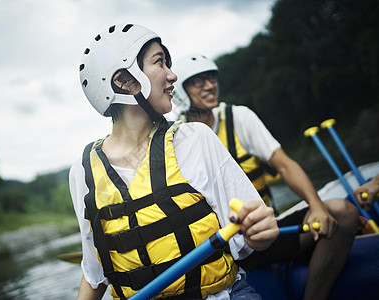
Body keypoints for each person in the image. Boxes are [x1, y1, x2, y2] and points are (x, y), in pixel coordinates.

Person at [69, 24, 279, 300]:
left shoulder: (195, 139)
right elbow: (95, 274)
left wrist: (259, 231)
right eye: (160, 63)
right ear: (123, 81)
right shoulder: (83, 173)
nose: (172, 75)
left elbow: (251, 236)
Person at [169, 53, 359, 300]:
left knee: (343, 212)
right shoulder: (176, 139)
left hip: (264, 235)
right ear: (182, 92)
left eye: (212, 78)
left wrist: (316, 206)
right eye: (198, 81)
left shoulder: (240, 118)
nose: (210, 85)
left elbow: (284, 165)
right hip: (221, 250)